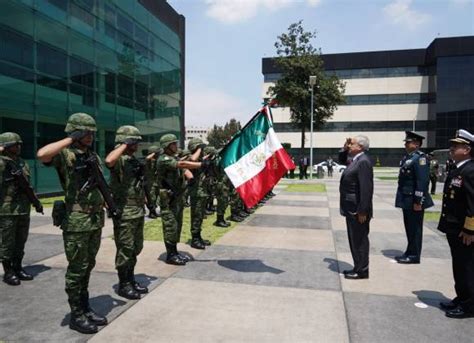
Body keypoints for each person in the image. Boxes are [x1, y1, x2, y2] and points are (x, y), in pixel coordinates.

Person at [37, 113, 107, 334]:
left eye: (92, 132)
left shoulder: (92, 155)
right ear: (75, 132)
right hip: (77, 221)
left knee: (88, 266)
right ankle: (76, 315)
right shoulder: (64, 153)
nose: (90, 136)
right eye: (85, 132)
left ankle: (85, 307)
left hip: (94, 220)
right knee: (77, 269)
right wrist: (70, 138)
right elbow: (42, 155)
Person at [105, 126, 148, 300]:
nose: (137, 144)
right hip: (124, 212)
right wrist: (123, 144)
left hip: (137, 211)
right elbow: (109, 161)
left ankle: (130, 278)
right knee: (125, 249)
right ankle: (124, 284)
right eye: (134, 141)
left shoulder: (132, 160)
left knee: (136, 247)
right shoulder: (120, 159)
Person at [156, 134, 212, 265]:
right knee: (170, 226)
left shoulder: (173, 157)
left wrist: (190, 177)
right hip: (168, 200)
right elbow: (182, 164)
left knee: (177, 225)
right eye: (173, 144)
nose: (176, 146)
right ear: (166, 146)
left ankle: (174, 252)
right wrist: (201, 164)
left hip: (177, 198)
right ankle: (170, 255)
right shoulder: (163, 159)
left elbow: (184, 167)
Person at [437, 129, 474, 319]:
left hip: (464, 230)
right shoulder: (459, 168)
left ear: (467, 149)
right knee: (459, 265)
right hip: (454, 227)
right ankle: (462, 297)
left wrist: (470, 229)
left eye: (456, 146)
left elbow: (473, 203)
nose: (451, 148)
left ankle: (469, 305)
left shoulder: (470, 170)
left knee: (467, 266)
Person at [0, 132, 39, 286]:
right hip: (7, 209)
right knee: (7, 242)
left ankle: (18, 267)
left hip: (23, 208)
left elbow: (28, 185)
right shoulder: (1, 163)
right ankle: (8, 271)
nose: (19, 147)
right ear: (6, 146)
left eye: (19, 144)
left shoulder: (22, 163)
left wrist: (35, 201)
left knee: (20, 241)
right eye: (15, 144)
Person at [395, 131, 433, 264]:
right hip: (407, 199)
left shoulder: (420, 159)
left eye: (408, 142)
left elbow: (422, 182)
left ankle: (414, 255)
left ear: (416, 144)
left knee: (415, 228)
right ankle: (409, 251)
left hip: (414, 200)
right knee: (409, 227)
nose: (405, 144)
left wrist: (418, 201)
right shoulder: (408, 158)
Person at [338, 136, 373, 279]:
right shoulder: (356, 159)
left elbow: (366, 188)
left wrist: (362, 210)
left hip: (358, 210)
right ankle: (357, 266)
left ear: (360, 146)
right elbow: (341, 159)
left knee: (360, 240)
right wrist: (344, 147)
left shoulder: (363, 161)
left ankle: (362, 270)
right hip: (351, 208)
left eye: (352, 144)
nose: (350, 145)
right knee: (354, 239)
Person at [187, 138, 212, 250]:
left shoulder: (200, 159)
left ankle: (199, 236)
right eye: (200, 148)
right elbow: (192, 160)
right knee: (196, 216)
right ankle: (195, 239)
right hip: (196, 193)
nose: (202, 150)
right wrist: (199, 148)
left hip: (202, 192)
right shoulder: (190, 158)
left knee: (200, 216)